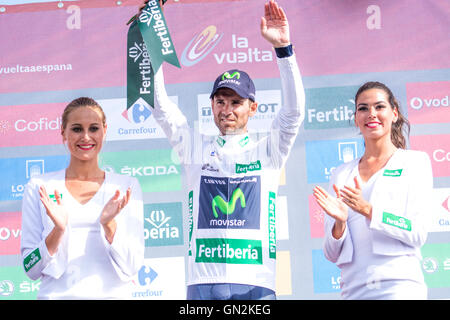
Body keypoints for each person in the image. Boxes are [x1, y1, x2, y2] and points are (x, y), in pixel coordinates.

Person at [137, 0, 305, 299]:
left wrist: (284, 50)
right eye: (220, 101)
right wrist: (151, 47)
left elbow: (293, 113)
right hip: (202, 284)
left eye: (236, 102)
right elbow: (160, 106)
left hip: (256, 283)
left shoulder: (268, 150)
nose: (227, 109)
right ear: (212, 104)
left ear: (253, 107)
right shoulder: (193, 148)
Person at [313, 82, 433, 299]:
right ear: (356, 118)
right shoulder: (341, 174)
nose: (371, 114)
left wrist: (369, 210)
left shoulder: (414, 162)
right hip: (353, 290)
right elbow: (331, 253)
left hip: (400, 288)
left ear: (394, 113)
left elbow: (417, 233)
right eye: (363, 108)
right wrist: (339, 224)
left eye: (379, 107)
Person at [20, 97, 144, 299]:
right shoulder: (39, 187)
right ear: (63, 134)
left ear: (105, 131)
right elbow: (30, 267)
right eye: (77, 129)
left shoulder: (125, 186)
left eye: (93, 128)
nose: (86, 137)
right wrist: (57, 231)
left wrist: (109, 225)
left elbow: (132, 266)